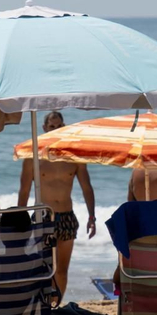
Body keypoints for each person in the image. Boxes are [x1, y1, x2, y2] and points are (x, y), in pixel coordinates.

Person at [16, 111, 97, 296]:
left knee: (61, 269)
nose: (55, 130)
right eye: (51, 126)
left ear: (64, 127)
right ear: (44, 128)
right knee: (43, 268)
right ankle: (43, 305)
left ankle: (56, 307)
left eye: (59, 126)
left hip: (66, 216)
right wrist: (19, 219)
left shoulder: (74, 157)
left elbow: (87, 188)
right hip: (43, 216)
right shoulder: (33, 157)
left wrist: (92, 216)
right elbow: (24, 191)